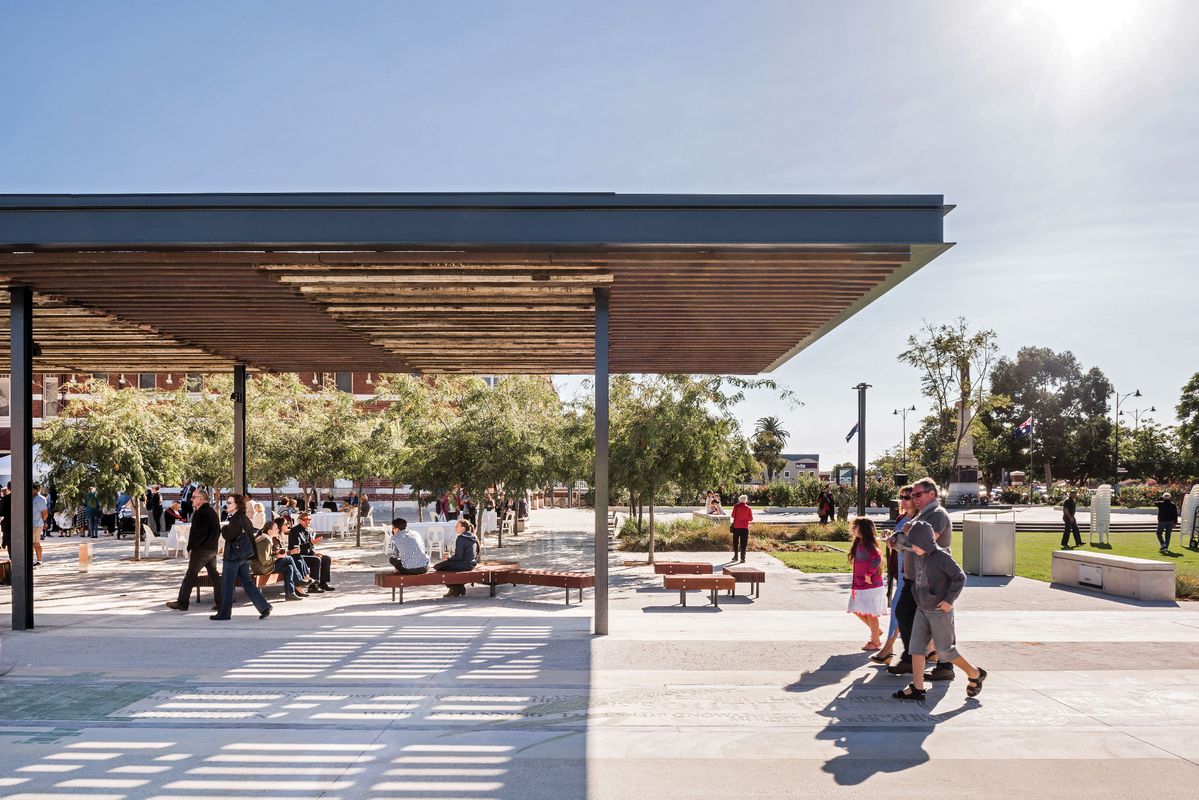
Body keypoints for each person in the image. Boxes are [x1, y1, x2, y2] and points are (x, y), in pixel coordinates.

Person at [892, 521, 987, 701]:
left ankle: (975, 674)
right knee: (916, 649)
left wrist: (949, 600)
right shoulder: (919, 552)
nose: (912, 547)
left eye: (915, 544)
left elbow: (960, 577)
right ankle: (918, 688)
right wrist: (894, 538)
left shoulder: (942, 557)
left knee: (945, 651)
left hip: (939, 610)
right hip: (922, 608)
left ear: (926, 542)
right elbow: (903, 544)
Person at [886, 477, 954, 681]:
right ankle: (911, 657)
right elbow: (907, 536)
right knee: (904, 613)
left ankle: (946, 665)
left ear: (932, 494)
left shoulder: (937, 515)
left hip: (933, 578)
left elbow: (925, 543)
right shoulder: (922, 515)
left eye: (917, 494)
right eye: (912, 495)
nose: (913, 498)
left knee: (938, 622)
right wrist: (897, 537)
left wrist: (902, 538)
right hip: (914, 577)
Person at [211, 494, 272, 620]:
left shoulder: (236, 519)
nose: (226, 505)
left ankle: (224, 613)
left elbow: (228, 536)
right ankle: (264, 606)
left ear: (237, 505)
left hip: (234, 556)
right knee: (246, 582)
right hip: (244, 556)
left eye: (229, 503)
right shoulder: (244, 518)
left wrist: (224, 528)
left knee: (227, 584)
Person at [872, 486, 914, 664]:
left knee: (899, 609)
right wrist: (891, 537)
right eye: (901, 497)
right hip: (900, 570)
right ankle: (933, 650)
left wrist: (897, 541)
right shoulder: (901, 517)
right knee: (914, 612)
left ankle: (888, 649)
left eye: (907, 497)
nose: (903, 500)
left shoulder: (918, 520)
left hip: (911, 571)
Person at [166, 489, 221, 611]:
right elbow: (217, 531)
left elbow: (198, 534)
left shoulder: (201, 513)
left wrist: (192, 547)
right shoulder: (211, 512)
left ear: (201, 499)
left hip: (202, 549)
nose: (191, 499)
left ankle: (182, 603)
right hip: (211, 549)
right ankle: (221, 602)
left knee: (190, 575)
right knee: (214, 575)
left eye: (194, 497)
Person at [848, 517, 888, 650]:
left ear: (863, 529)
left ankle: (875, 642)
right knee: (856, 609)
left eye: (855, 526)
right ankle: (876, 631)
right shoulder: (860, 542)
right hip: (860, 585)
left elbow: (877, 558)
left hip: (870, 585)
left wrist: (868, 574)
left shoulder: (867, 543)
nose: (852, 529)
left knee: (871, 613)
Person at [251, 519, 306, 601]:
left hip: (264, 566)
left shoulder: (267, 539)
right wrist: (277, 557)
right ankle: (298, 580)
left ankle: (290, 594)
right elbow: (265, 561)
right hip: (261, 568)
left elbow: (266, 556)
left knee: (289, 567)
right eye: (276, 528)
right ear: (269, 531)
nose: (278, 530)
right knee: (289, 558)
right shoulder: (264, 541)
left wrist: (275, 553)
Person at [288, 512, 335, 592]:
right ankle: (313, 586)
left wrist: (314, 553)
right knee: (316, 560)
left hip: (307, 554)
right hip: (298, 556)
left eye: (309, 519)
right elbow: (297, 548)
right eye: (305, 519)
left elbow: (311, 546)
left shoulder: (308, 530)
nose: (308, 521)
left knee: (326, 558)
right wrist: (311, 543)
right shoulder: (295, 531)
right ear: (300, 521)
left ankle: (323, 583)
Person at [434, 518, 479, 597]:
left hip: (464, 564)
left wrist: (449, 558)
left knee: (439, 567)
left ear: (463, 528)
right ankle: (459, 587)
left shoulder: (461, 538)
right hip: (471, 564)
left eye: (457, 526)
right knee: (445, 565)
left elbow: (458, 557)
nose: (455, 528)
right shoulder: (473, 536)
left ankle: (454, 589)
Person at [730, 494, 753, 563]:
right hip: (744, 527)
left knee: (735, 542)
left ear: (740, 500)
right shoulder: (748, 508)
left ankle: (735, 556)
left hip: (736, 527)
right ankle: (743, 558)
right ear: (746, 500)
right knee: (744, 543)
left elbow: (732, 515)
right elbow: (751, 518)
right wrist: (745, 518)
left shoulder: (736, 507)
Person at [30, 483, 47, 566]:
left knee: (36, 543)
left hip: (36, 524)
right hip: (31, 524)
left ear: (36, 490)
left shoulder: (39, 499)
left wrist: (41, 521)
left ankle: (39, 560)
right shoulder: (32, 498)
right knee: (31, 543)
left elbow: (45, 513)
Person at [0, 482, 11, 552]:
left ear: (8, 488)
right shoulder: (24, 498)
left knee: (10, 543)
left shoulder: (5, 499)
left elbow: (0, 512)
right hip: (21, 523)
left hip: (8, 522)